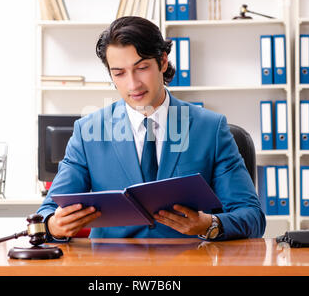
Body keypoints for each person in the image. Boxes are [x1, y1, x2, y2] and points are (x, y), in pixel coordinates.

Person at [37, 16, 265, 241]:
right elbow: (47, 211)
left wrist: (209, 225)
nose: (133, 84)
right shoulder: (87, 131)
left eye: (142, 68)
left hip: (190, 265)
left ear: (163, 62)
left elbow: (252, 217)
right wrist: (54, 225)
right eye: (119, 73)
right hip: (112, 268)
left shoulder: (210, 129)